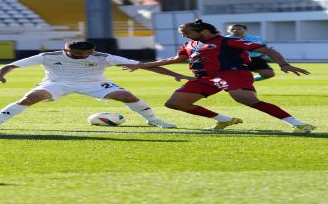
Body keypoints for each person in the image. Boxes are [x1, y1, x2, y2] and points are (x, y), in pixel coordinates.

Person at [122, 19, 315, 134]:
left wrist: (284, 64)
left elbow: (265, 49)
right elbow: (174, 59)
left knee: (246, 99)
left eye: (187, 33)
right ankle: (224, 119)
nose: (184, 36)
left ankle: (298, 124)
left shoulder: (227, 41)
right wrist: (142, 65)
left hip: (232, 73)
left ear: (203, 31)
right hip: (206, 79)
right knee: (174, 103)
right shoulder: (190, 45)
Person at [0, 40, 190, 130]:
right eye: (78, 53)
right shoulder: (48, 56)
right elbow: (10, 65)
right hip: (58, 83)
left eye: (87, 53)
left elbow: (145, 65)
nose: (84, 56)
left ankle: (154, 120)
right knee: (31, 98)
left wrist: (173, 75)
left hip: (95, 83)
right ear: (67, 51)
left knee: (127, 96)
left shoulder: (104, 57)